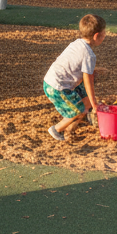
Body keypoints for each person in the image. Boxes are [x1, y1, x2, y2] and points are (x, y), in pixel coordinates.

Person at [43, 13, 107, 143]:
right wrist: (95, 103)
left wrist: (94, 72)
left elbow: (74, 65)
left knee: (85, 102)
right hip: (57, 87)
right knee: (77, 110)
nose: (105, 35)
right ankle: (57, 129)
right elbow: (88, 81)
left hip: (54, 80)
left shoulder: (78, 43)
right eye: (104, 33)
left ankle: (71, 127)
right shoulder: (89, 55)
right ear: (96, 36)